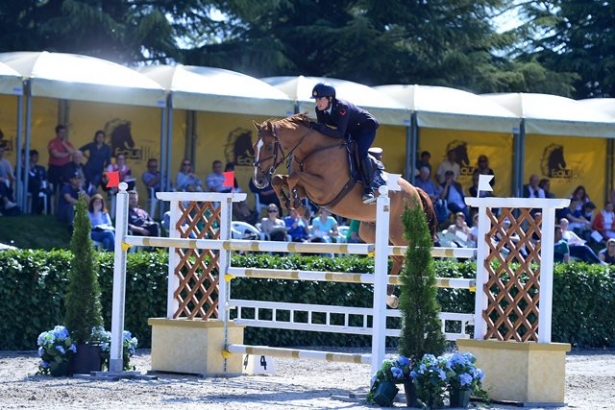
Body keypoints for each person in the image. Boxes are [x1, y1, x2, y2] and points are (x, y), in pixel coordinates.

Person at [310, 82, 379, 204]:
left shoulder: (342, 108)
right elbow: (323, 131)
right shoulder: (319, 109)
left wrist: (317, 127)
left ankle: (369, 189)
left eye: (320, 99)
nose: (317, 102)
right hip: (350, 129)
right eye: (316, 99)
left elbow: (339, 133)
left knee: (361, 151)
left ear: (330, 99)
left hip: (366, 128)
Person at [47, 124, 75, 195]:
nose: (63, 134)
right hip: (54, 168)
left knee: (65, 190)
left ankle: (62, 205)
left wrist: (64, 144)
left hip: (65, 168)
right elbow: (56, 154)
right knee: (52, 190)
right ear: (57, 133)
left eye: (64, 132)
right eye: (61, 132)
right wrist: (67, 154)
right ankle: (51, 205)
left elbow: (73, 152)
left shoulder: (68, 143)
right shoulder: (52, 142)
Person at [25, 149, 50, 214]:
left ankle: (47, 212)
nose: (37, 158)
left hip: (42, 186)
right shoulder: (26, 167)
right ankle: (34, 211)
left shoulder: (40, 168)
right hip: (31, 187)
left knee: (48, 192)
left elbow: (45, 178)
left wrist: (46, 182)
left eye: (37, 156)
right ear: (30, 157)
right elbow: (29, 178)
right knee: (35, 188)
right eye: (35, 156)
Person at [0, 145, 17, 212]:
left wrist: (10, 179)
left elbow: (11, 176)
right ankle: (6, 202)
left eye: (2, 151)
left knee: (3, 185)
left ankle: (7, 204)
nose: (0, 153)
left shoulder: (6, 162)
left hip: (5, 185)